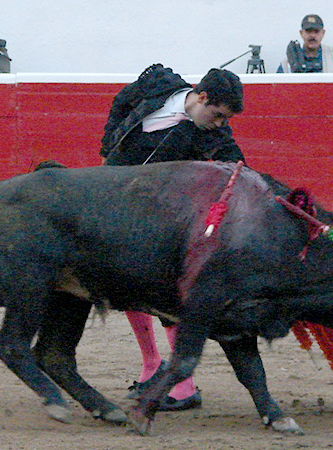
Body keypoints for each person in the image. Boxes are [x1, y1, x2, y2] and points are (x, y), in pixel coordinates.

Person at [100, 63, 245, 411]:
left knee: (163, 292)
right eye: (218, 114)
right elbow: (122, 100)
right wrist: (108, 148)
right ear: (202, 96)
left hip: (160, 221)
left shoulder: (213, 136)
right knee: (122, 287)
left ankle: (183, 385)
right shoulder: (159, 84)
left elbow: (238, 168)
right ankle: (152, 367)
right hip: (116, 197)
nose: (220, 123)